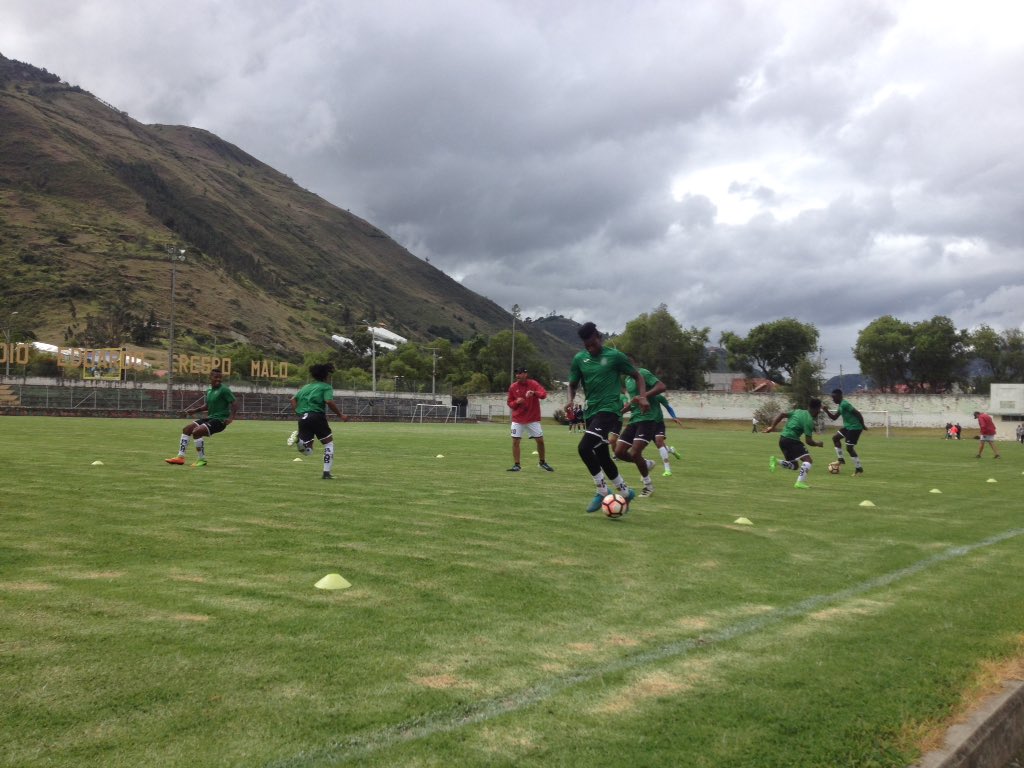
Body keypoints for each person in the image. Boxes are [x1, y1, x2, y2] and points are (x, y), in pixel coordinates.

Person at [567, 322, 649, 513]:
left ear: (599, 337)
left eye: (593, 344)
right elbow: (572, 384)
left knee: (584, 448)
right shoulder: (579, 359)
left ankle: (602, 490)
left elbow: (638, 376)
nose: (591, 348)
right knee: (602, 456)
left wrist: (643, 397)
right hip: (591, 411)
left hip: (609, 410)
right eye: (587, 346)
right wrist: (570, 400)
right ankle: (626, 492)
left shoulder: (615, 356)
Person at [614, 358, 666, 497]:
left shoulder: (643, 373)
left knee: (635, 453)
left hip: (648, 418)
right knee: (619, 452)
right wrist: (620, 412)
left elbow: (661, 386)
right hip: (634, 419)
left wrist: (643, 396)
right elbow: (634, 401)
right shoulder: (628, 380)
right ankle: (646, 463)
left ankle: (648, 486)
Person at [165, 368, 237, 467]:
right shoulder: (209, 390)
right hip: (210, 418)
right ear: (210, 377)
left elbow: (234, 403)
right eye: (216, 377)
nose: (218, 379)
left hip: (220, 420)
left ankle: (202, 459)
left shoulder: (224, 390)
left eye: (220, 377)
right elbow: (207, 406)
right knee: (187, 429)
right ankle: (180, 457)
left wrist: (231, 418)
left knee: (197, 432)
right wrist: (194, 411)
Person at [290, 362, 346, 479]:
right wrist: (340, 415)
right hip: (317, 416)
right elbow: (329, 401)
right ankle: (326, 473)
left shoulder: (306, 387)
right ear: (326, 375)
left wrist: (299, 413)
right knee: (328, 444)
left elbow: (293, 400)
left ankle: (298, 441)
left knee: (308, 451)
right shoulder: (326, 387)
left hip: (303, 418)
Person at [764, 398, 824, 489]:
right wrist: (817, 444)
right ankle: (799, 483)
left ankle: (776, 461)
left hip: (782, 440)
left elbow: (782, 414)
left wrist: (772, 427)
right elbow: (809, 441)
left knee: (794, 466)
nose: (819, 412)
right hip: (792, 440)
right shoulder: (809, 420)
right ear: (817, 409)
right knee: (808, 461)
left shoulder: (798, 411)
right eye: (819, 409)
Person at [506, 367, 553, 472]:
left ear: (525, 374)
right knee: (515, 442)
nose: (517, 375)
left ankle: (542, 462)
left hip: (532, 419)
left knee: (540, 441)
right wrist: (516, 402)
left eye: (520, 373)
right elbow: (509, 403)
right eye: (516, 373)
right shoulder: (513, 387)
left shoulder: (533, 384)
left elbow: (544, 394)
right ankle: (517, 465)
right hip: (518, 419)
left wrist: (534, 393)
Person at [823, 389, 867, 475]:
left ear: (839, 396)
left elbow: (857, 413)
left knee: (849, 448)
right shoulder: (840, 406)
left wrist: (863, 425)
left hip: (855, 428)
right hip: (848, 427)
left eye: (834, 397)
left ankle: (859, 469)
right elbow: (834, 417)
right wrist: (826, 411)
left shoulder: (845, 404)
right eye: (832, 397)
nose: (833, 399)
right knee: (835, 438)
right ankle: (841, 460)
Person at [652, 394, 683, 476]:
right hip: (647, 425)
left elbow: (668, 407)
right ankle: (672, 450)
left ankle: (667, 470)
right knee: (661, 446)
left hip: (659, 424)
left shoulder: (658, 396)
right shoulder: (640, 396)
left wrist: (674, 417)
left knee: (659, 442)